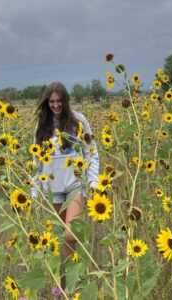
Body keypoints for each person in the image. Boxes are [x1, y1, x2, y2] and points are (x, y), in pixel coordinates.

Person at [31, 81, 99, 257]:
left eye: (59, 101)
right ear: (47, 103)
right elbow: (36, 162)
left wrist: (92, 183)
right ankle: (72, 281)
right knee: (63, 237)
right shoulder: (42, 125)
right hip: (53, 190)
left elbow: (91, 152)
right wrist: (34, 192)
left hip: (76, 185)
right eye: (52, 101)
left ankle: (81, 266)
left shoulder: (79, 120)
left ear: (65, 100)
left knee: (71, 233)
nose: (56, 105)